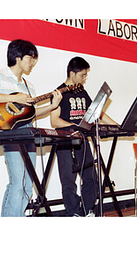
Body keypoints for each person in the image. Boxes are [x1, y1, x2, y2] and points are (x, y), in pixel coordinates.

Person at [0, 39, 62, 216]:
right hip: (11, 134)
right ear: (17, 57)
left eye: (34, 59)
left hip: (28, 133)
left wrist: (51, 106)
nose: (32, 63)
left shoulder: (28, 86)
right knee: (18, 181)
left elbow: (30, 114)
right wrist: (13, 98)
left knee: (27, 183)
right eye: (30, 58)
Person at [50, 56, 116, 217]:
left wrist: (118, 126)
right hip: (65, 141)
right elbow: (54, 121)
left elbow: (96, 112)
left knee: (91, 177)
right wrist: (74, 127)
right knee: (68, 181)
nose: (85, 79)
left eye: (86, 75)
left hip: (82, 140)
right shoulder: (59, 93)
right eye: (82, 75)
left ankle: (88, 211)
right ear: (71, 73)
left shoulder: (82, 92)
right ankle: (73, 213)